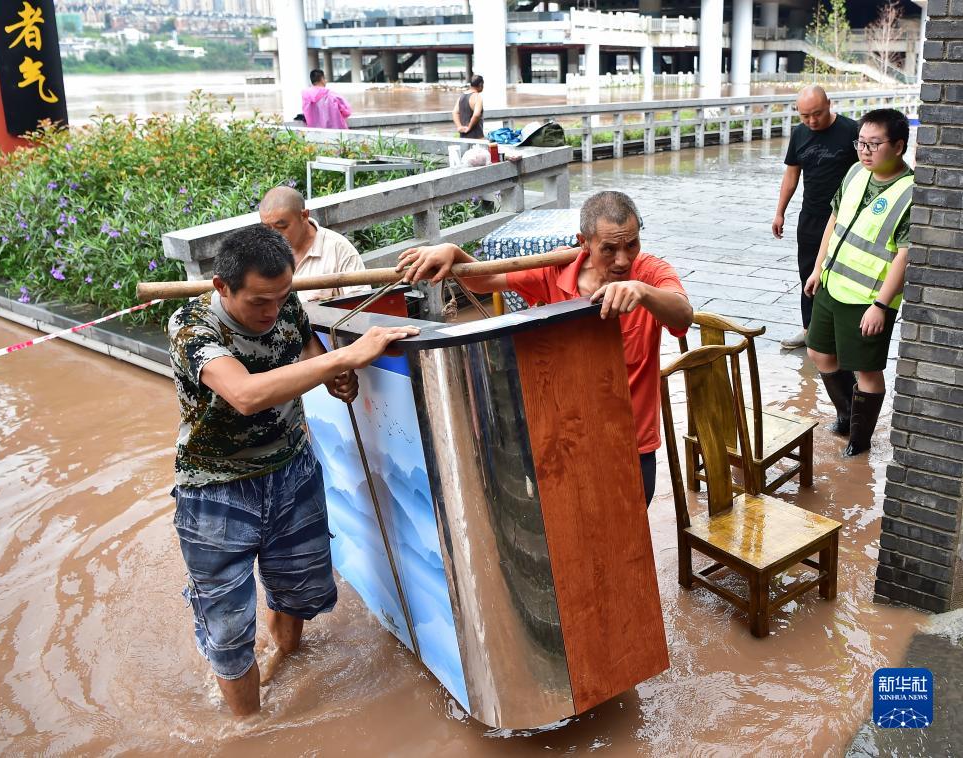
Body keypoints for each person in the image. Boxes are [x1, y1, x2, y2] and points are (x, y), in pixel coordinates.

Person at [168, 225, 417, 718]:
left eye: (282, 297)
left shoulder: (284, 307)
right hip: (217, 490)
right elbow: (245, 394)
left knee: (300, 588)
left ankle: (283, 656)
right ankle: (250, 728)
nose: (272, 312)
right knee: (226, 623)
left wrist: (335, 375)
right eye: (259, 301)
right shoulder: (192, 327)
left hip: (292, 472)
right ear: (222, 287)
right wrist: (347, 355)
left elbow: (308, 353)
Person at [398, 190, 693, 506]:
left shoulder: (650, 273)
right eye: (609, 249)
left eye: (631, 244)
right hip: (565, 441)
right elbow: (488, 279)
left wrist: (642, 292)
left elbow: (683, 315)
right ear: (584, 242)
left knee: (627, 543)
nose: (622, 260)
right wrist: (453, 253)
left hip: (630, 443)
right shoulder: (555, 268)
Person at [804, 108, 913, 457]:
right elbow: (834, 220)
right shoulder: (854, 173)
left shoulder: (911, 193)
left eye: (874, 144)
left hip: (868, 298)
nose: (864, 151)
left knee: (866, 370)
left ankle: (860, 440)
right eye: (860, 142)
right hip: (832, 283)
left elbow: (905, 255)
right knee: (819, 352)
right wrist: (818, 268)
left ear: (898, 146)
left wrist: (881, 305)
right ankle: (847, 414)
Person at [772, 85, 859, 349]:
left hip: (845, 218)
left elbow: (868, 171)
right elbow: (791, 175)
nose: (811, 121)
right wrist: (780, 212)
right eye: (805, 116)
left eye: (817, 114)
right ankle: (809, 329)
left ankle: (840, 333)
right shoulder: (799, 134)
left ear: (829, 104)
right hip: (810, 216)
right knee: (808, 273)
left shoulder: (851, 130)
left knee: (841, 275)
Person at [259, 186, 371, 302]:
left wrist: (327, 308)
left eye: (282, 227)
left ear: (304, 216)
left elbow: (361, 307)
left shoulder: (339, 249)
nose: (273, 235)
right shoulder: (261, 251)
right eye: (266, 228)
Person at [452, 75, 485, 140]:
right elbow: (476, 115)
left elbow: (454, 112)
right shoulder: (477, 97)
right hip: (477, 137)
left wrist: (459, 127)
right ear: (480, 84)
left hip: (463, 137)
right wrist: (469, 127)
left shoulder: (461, 96)